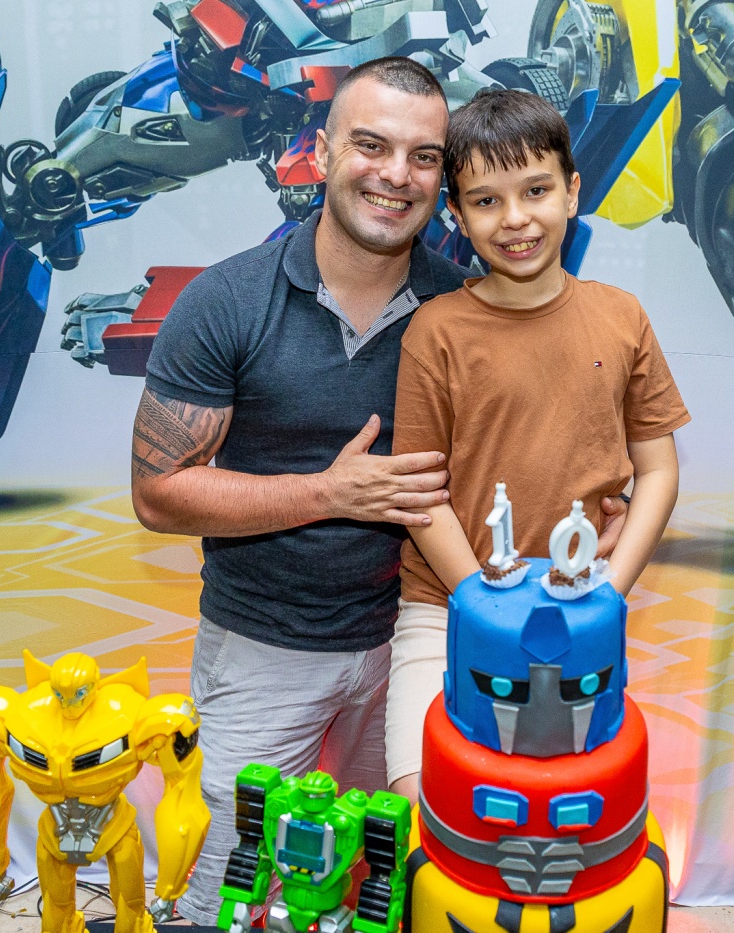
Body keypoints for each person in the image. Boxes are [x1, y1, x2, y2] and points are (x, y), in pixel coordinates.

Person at [129, 58, 466, 925]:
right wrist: (331, 491)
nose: (396, 174)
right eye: (371, 145)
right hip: (262, 650)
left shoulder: (464, 311)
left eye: (424, 156)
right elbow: (159, 493)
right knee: (227, 895)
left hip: (410, 651)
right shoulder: (227, 301)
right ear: (320, 152)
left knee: (380, 887)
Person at [387, 88, 690, 802]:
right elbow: (419, 493)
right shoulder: (435, 331)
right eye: (486, 201)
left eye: (536, 190)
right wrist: (480, 606)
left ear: (572, 191)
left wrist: (607, 596)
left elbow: (658, 471)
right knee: (420, 801)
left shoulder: (622, 316)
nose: (515, 218)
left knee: (569, 805)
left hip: (580, 610)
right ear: (457, 215)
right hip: (447, 610)